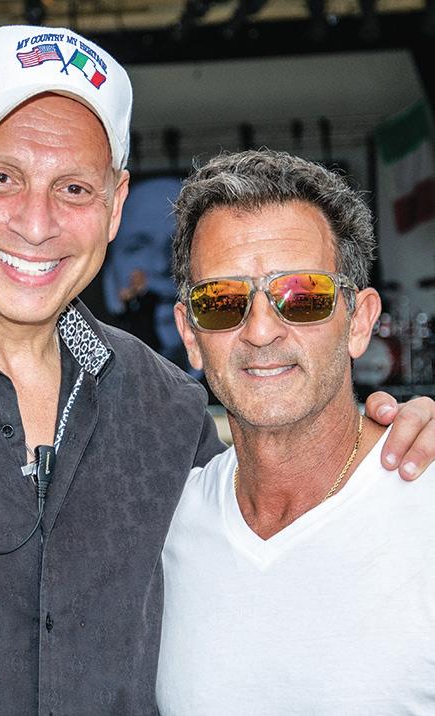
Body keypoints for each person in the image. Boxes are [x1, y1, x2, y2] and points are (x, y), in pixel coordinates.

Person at [0, 26, 432, 716]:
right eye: (1, 178)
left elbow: (288, 491)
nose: (36, 222)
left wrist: (405, 440)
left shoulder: (163, 409)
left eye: (74, 188)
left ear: (113, 204)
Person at [158, 149, 435, 714]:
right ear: (191, 335)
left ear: (358, 321)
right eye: (222, 301)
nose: (261, 330)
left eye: (302, 296)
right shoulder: (163, 530)